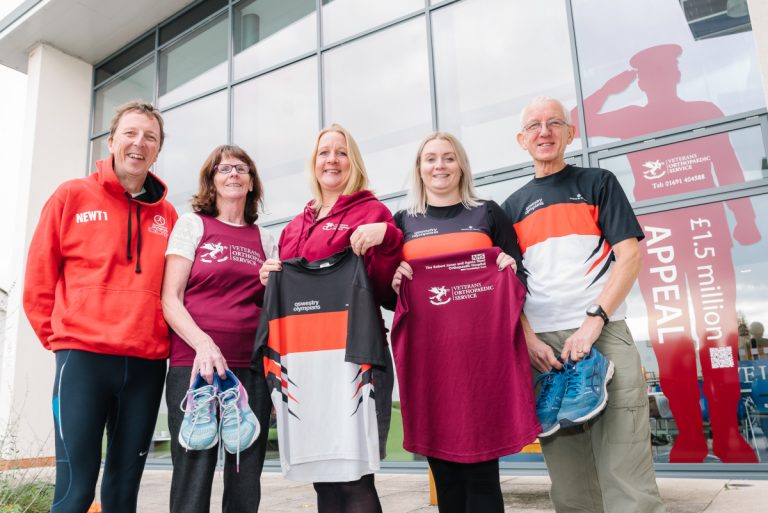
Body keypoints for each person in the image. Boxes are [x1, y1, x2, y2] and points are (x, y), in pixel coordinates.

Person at [574, 43, 759, 464]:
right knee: (671, 337)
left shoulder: (703, 110)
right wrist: (609, 88)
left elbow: (727, 165)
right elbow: (573, 122)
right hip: (658, 239)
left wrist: (745, 217)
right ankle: (689, 434)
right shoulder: (633, 118)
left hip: (706, 231)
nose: (660, 77)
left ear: (677, 74)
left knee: (718, 331)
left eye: (667, 69)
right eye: (650, 73)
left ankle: (729, 433)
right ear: (641, 81)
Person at [502, 96, 665, 513]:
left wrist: (594, 320)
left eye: (554, 123)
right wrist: (529, 341)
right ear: (522, 139)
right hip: (545, 351)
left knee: (627, 469)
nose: (544, 132)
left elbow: (629, 257)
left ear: (570, 134)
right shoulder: (510, 209)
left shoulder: (599, 183)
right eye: (534, 125)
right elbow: (510, 287)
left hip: (603, 332)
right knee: (570, 482)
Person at [22, 100, 177, 513]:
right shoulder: (71, 195)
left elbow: (177, 289)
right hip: (83, 361)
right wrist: (61, 339)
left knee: (123, 495)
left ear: (157, 151)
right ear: (111, 141)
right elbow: (38, 277)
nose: (139, 143)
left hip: (145, 366)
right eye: (130, 133)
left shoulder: (168, 215)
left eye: (150, 137)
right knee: (75, 492)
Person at [389, 132, 539, 513]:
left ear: (461, 166)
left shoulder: (487, 213)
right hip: (431, 365)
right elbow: (389, 295)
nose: (439, 166)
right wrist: (394, 279)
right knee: (447, 479)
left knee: (483, 477)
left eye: (448, 158)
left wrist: (509, 269)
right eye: (430, 159)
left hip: (484, 364)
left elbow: (520, 280)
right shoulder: (403, 222)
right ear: (419, 168)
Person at [258, 123, 402, 512]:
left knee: (355, 478)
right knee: (323, 479)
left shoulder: (372, 212)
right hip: (305, 363)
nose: (332, 160)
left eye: (341, 152)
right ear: (314, 162)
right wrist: (269, 278)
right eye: (324, 152)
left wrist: (388, 237)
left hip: (354, 357)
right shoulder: (293, 227)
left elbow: (386, 290)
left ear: (353, 161)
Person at [161, 145, 274, 513]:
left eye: (241, 168)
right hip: (196, 365)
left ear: (252, 182)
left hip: (250, 367)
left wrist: (269, 285)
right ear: (211, 181)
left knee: (246, 476)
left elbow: (272, 307)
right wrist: (204, 344)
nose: (233, 174)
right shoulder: (193, 225)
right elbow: (170, 298)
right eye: (224, 169)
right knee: (193, 474)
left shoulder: (265, 238)